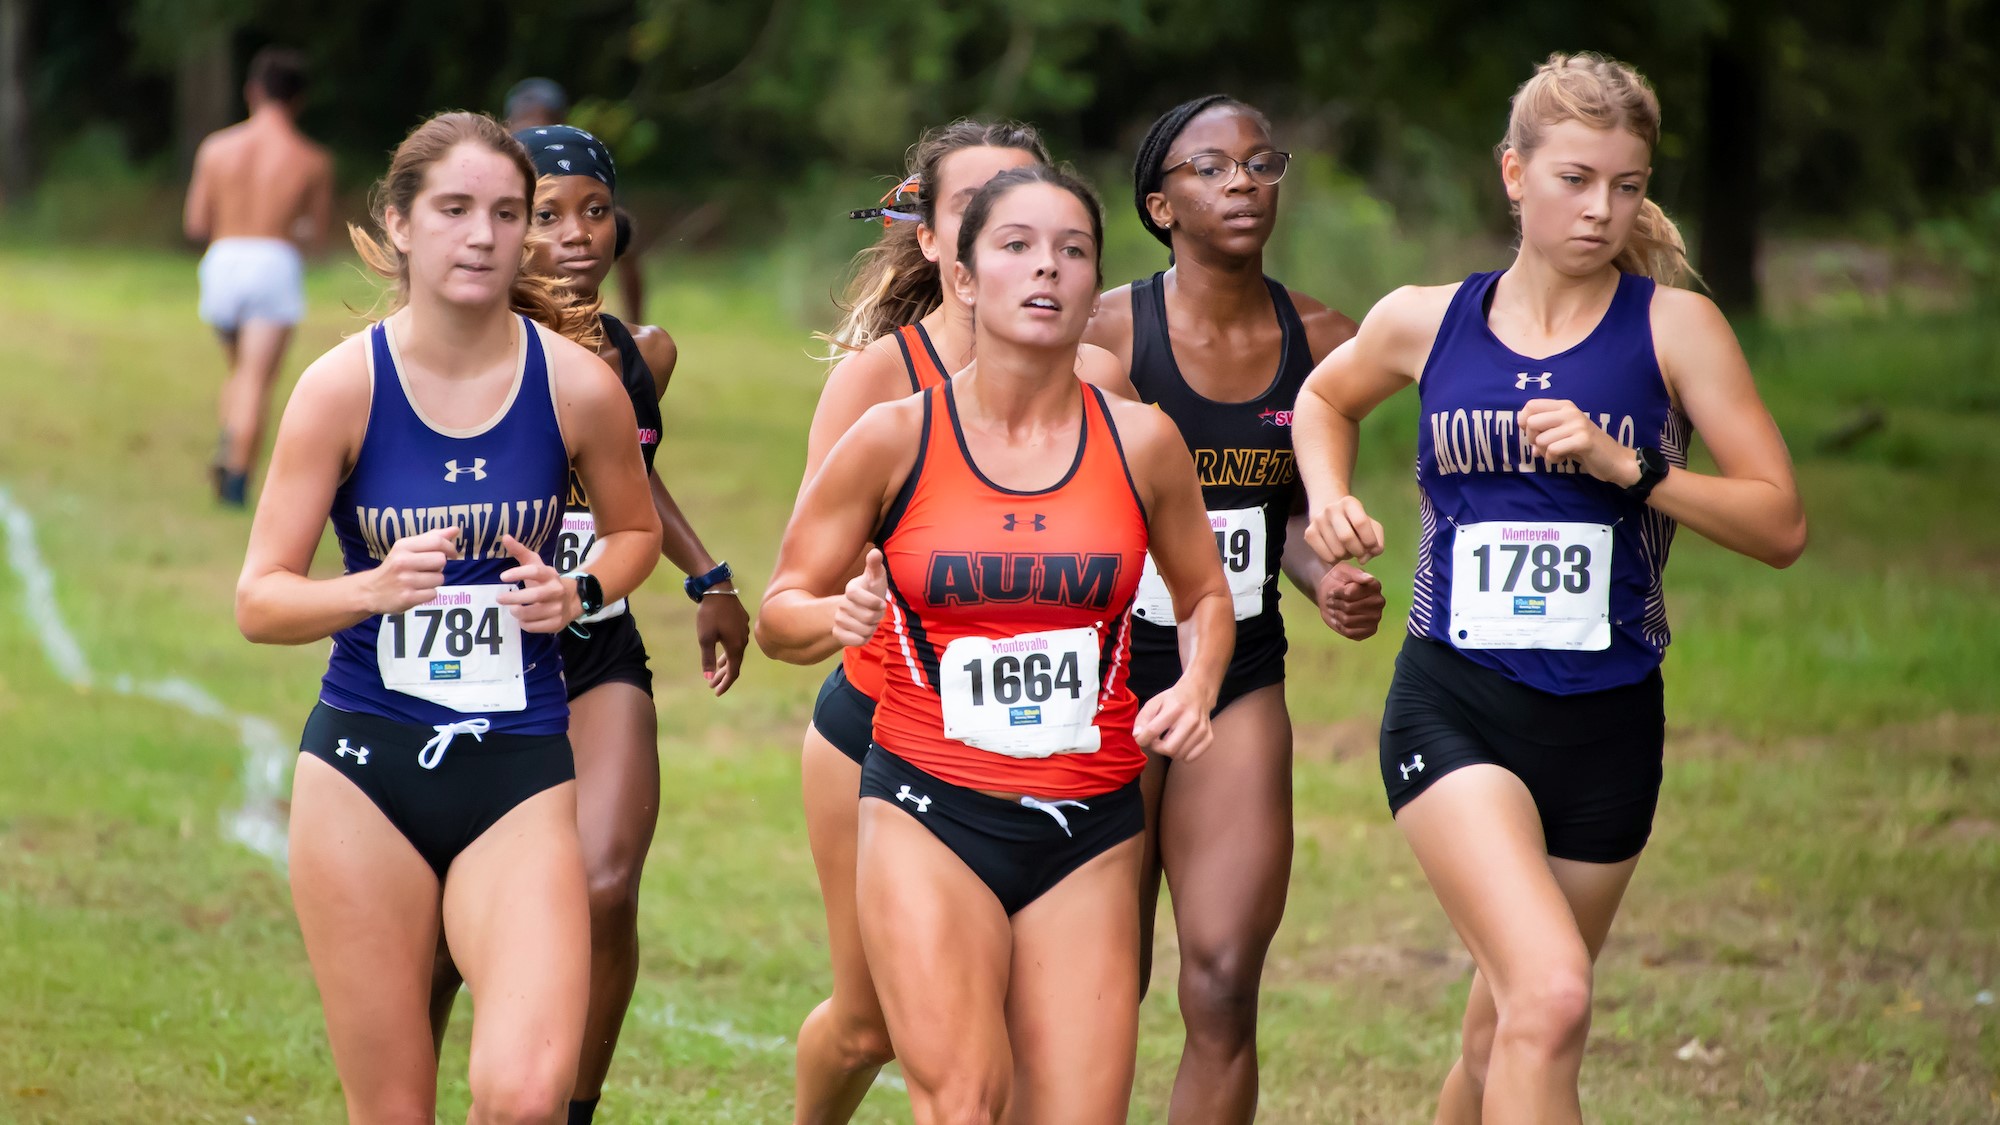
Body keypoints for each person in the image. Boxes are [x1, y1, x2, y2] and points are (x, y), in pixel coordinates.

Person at [1292, 53, 1806, 1125]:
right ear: (1511, 173)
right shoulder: (1422, 320)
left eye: (1625, 185)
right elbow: (1321, 400)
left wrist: (1636, 471)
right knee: (1551, 995)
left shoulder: (1673, 330)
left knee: (1501, 1037)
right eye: (1573, 179)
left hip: (1609, 723)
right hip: (1455, 701)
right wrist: (1328, 497)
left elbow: (1778, 524)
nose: (1600, 209)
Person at [759, 164, 1234, 1124]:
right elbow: (780, 609)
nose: (1046, 270)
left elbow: (1205, 594)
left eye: (1072, 251)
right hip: (928, 809)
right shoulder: (893, 436)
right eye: (1016, 246)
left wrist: (1199, 683)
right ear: (965, 277)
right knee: (965, 1099)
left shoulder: (1144, 442)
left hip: (1091, 820)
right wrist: (831, 619)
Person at [234, 110, 661, 1124]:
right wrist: (366, 592)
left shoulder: (576, 386)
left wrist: (581, 591)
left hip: (516, 769)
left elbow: (633, 532)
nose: (481, 235)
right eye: (455, 209)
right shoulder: (339, 390)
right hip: (363, 774)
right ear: (400, 224)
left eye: (505, 213)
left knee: (524, 1095)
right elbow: (259, 598)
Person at [792, 119, 1126, 1124]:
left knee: (1035, 1038)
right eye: (986, 216)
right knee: (870, 1024)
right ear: (939, 239)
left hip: (1058, 755)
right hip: (882, 732)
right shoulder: (876, 384)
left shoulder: (1102, 382)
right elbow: (814, 566)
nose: (1022, 242)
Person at [422, 124, 751, 1125]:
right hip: (465, 659)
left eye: (595, 211)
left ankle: (573, 1107)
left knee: (606, 885)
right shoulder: (451, 346)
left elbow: (628, 482)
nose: (576, 235)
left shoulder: (638, 353)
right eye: (549, 213)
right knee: (441, 925)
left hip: (594, 641)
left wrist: (708, 577)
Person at [1081, 94, 1385, 1124]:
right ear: (1160, 205)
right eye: (1210, 169)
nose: (1242, 183)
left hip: (1240, 667)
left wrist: (1326, 574)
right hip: (1104, 673)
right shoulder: (1106, 332)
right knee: (1096, 983)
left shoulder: (1321, 340)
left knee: (1219, 982)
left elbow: (1290, 513)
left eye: (1260, 163)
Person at [183, 46, 333, 507]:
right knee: (255, 379)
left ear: (253, 91)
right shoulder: (310, 160)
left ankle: (230, 442)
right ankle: (236, 476)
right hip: (272, 261)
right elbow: (318, 235)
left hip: (223, 259)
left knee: (239, 372)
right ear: (299, 99)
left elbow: (195, 224)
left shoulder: (216, 147)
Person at [504, 78, 647, 325]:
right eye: (545, 216)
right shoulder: (502, 179)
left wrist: (631, 332)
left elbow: (629, 263)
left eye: (595, 211)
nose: (578, 233)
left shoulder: (587, 171)